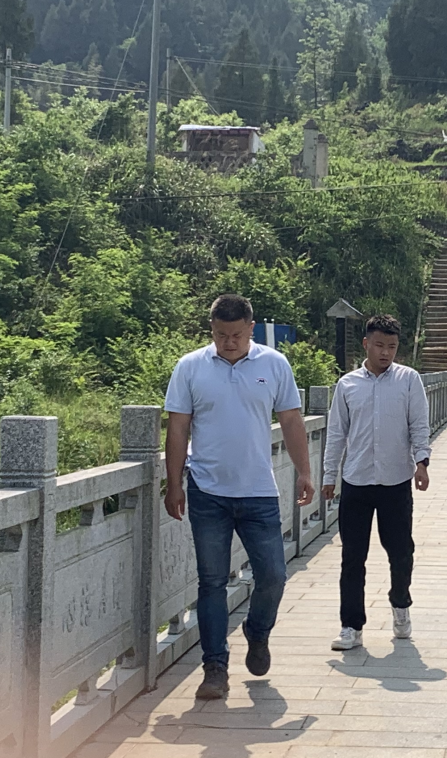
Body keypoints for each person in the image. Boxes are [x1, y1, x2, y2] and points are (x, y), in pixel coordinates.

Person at [164, 294, 315, 700]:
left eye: (235, 335)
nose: (228, 343)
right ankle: (214, 667)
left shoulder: (274, 364)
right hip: (207, 491)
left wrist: (304, 471)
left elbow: (291, 419)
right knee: (211, 581)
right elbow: (178, 428)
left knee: (274, 575)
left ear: (251, 328)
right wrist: (173, 482)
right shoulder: (190, 367)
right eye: (220, 335)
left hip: (258, 491)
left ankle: (257, 630)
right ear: (211, 330)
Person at [322, 314, 431, 651]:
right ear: (366, 344)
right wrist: (329, 476)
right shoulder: (347, 385)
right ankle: (351, 625)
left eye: (392, 347)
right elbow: (336, 433)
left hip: (396, 480)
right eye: (380, 345)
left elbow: (419, 424)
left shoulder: (409, 380)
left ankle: (400, 604)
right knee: (352, 557)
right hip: (356, 480)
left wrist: (422, 463)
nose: (386, 352)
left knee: (401, 552)